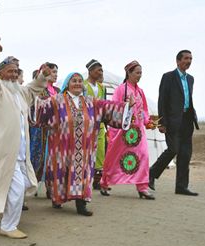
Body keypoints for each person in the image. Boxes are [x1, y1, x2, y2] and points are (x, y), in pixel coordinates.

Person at [35, 72, 134, 215]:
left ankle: (81, 204)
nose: (77, 83)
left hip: (84, 150)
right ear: (67, 84)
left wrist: (126, 107)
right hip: (61, 149)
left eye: (80, 81)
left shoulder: (91, 102)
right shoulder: (56, 101)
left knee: (82, 174)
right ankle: (57, 199)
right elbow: (39, 110)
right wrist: (33, 99)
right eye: (73, 80)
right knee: (61, 173)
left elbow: (108, 107)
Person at [0, 39, 51, 239]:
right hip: (5, 151)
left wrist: (43, 75)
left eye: (16, 71)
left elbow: (34, 88)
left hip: (21, 152)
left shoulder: (19, 92)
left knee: (26, 185)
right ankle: (8, 226)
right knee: (17, 188)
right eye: (10, 71)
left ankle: (9, 215)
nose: (13, 74)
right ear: (1, 73)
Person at [100, 61, 155, 199]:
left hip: (138, 131)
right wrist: (126, 106)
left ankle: (142, 186)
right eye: (137, 73)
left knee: (143, 155)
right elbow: (114, 108)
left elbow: (144, 110)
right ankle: (105, 182)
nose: (139, 75)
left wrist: (148, 122)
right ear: (129, 73)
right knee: (113, 157)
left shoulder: (140, 91)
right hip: (123, 131)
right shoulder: (121, 89)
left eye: (141, 73)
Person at [149, 50, 199, 196]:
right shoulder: (168, 77)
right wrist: (162, 123)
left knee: (185, 154)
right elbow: (162, 100)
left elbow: (187, 98)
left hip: (187, 120)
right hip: (172, 121)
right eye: (185, 58)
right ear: (177, 61)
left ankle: (181, 187)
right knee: (173, 149)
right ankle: (151, 174)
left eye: (190, 58)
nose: (188, 61)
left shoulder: (190, 79)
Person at [29, 62, 60, 199]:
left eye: (56, 72)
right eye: (53, 72)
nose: (55, 75)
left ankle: (50, 187)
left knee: (53, 158)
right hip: (40, 130)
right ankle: (32, 185)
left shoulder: (58, 91)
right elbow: (33, 108)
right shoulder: (39, 89)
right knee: (37, 157)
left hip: (54, 130)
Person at [84, 59, 107, 190]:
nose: (100, 72)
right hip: (87, 125)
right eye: (98, 70)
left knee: (100, 153)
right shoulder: (83, 86)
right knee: (87, 151)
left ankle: (97, 181)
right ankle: (86, 178)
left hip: (100, 124)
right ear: (91, 71)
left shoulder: (101, 87)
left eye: (102, 70)